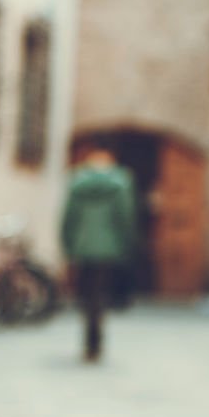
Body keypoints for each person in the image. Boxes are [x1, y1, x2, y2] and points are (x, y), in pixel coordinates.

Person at [61, 141, 138, 362]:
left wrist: (68, 243)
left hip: (83, 246)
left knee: (86, 295)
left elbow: (69, 217)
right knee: (100, 294)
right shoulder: (121, 183)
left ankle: (88, 340)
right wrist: (127, 243)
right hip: (109, 247)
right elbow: (125, 217)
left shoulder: (78, 182)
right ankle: (97, 341)